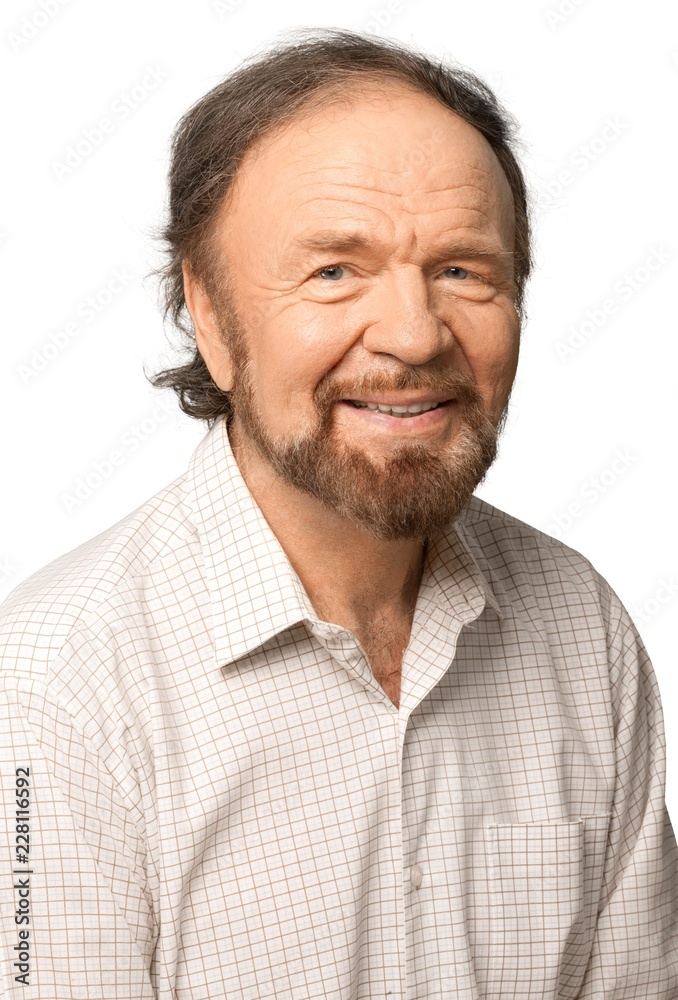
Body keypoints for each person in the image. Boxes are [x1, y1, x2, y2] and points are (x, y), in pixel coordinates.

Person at [1, 26, 676, 999]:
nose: (411, 334)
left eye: (462, 270)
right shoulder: (53, 686)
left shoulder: (586, 631)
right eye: (333, 272)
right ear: (211, 313)